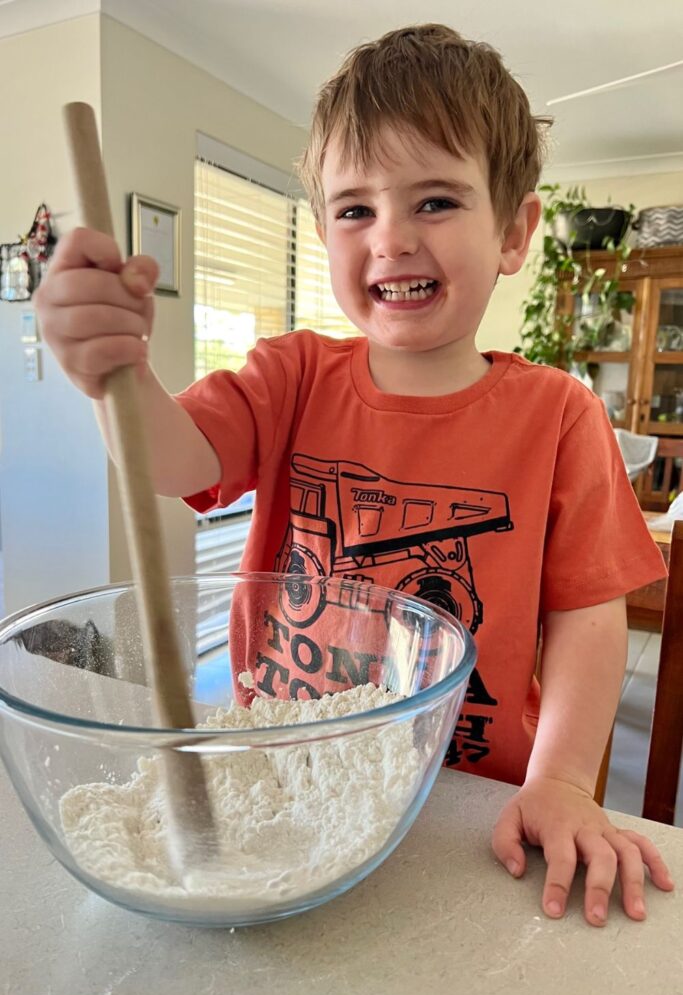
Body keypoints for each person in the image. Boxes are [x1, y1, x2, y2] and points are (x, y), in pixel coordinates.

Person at [35, 23, 674, 926]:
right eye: (354, 209)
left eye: (437, 202)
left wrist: (564, 780)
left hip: (463, 808)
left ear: (514, 230)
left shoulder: (559, 415)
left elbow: (587, 613)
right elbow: (168, 458)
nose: (390, 240)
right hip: (284, 777)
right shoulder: (291, 375)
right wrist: (114, 370)